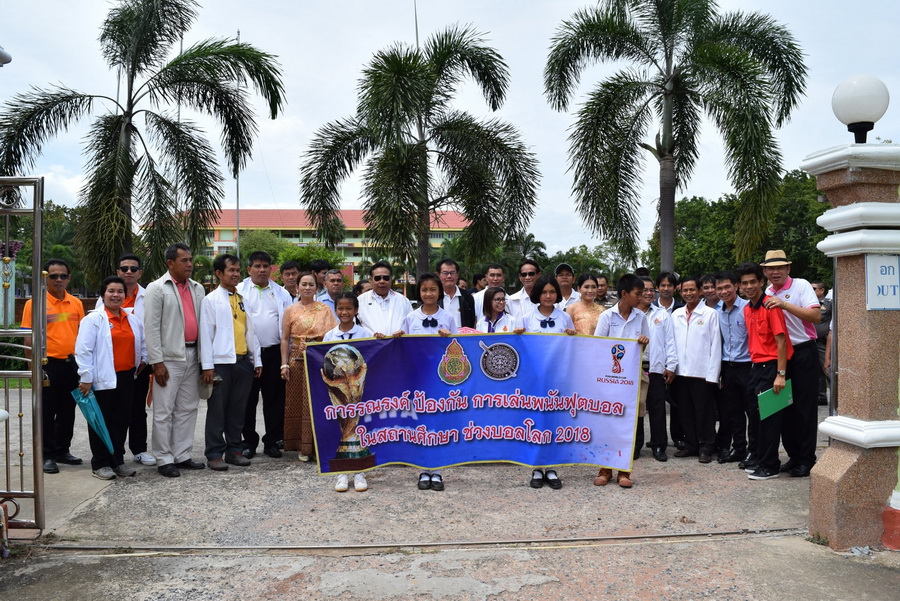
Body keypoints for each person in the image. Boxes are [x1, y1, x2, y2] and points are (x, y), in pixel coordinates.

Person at [144, 242, 207, 478]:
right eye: (184, 260)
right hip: (169, 359)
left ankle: (182, 454)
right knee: (163, 411)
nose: (190, 264)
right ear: (170, 263)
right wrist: (157, 362)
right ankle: (164, 458)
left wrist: (204, 361)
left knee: (188, 408)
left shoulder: (198, 288)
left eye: (190, 260)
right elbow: (151, 328)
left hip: (193, 354)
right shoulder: (156, 288)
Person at [75, 276, 147, 480]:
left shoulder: (132, 319)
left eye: (120, 291)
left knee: (122, 421)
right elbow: (83, 350)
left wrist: (143, 360)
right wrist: (86, 377)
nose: (116, 295)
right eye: (111, 291)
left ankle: (118, 460)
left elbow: (141, 343)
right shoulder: (93, 320)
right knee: (101, 421)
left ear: (125, 294)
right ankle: (100, 463)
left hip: (127, 377)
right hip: (102, 378)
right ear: (103, 294)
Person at [761, 250, 821, 477]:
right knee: (784, 408)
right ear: (765, 272)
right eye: (770, 268)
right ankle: (793, 456)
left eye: (779, 267)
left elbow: (815, 317)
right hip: (780, 355)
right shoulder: (767, 292)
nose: (775, 272)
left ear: (788, 269)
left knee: (804, 409)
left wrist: (784, 305)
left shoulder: (801, 286)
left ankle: (806, 459)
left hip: (803, 351)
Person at [22, 259, 86, 474]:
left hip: (72, 365)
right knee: (47, 412)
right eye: (54, 276)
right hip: (47, 364)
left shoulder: (76, 303)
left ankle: (62, 450)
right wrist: (32, 367)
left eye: (63, 276)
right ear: (45, 278)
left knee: (68, 411)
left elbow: (82, 334)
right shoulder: (35, 304)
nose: (59, 280)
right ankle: (47, 454)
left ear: (69, 278)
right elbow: (28, 338)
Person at [201, 255, 263, 472]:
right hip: (220, 363)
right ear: (219, 273)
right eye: (231, 270)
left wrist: (256, 360)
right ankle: (214, 453)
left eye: (238, 270)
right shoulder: (211, 300)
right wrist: (207, 366)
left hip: (243, 361)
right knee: (217, 410)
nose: (236, 274)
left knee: (238, 409)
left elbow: (250, 331)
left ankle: (235, 450)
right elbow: (206, 334)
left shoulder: (242, 298)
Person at [95, 254, 154, 466]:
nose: (129, 272)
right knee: (111, 413)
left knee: (137, 409)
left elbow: (152, 329)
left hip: (140, 364)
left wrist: (146, 359)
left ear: (140, 273)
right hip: (109, 367)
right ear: (118, 271)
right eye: (124, 268)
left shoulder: (149, 297)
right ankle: (108, 456)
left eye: (133, 269)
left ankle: (139, 449)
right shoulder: (103, 301)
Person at [737, 262, 793, 480]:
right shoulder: (747, 308)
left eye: (753, 282)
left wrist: (781, 374)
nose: (749, 286)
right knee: (755, 415)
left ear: (761, 282)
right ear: (740, 286)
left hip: (772, 367)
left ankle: (770, 466)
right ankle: (760, 458)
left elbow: (781, 342)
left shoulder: (771, 306)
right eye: (744, 283)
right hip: (756, 367)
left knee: (770, 418)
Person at [400, 274, 456, 491]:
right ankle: (423, 468)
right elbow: (402, 348)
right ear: (419, 292)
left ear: (439, 292)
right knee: (420, 422)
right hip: (418, 378)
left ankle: (438, 469)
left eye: (433, 289)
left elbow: (459, 346)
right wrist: (397, 338)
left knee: (439, 422)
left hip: (441, 378)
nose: (429, 293)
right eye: (424, 289)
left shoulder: (448, 317)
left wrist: (450, 337)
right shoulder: (410, 318)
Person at [593, 274, 650, 487]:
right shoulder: (607, 317)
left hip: (631, 379)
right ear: (624, 294)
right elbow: (598, 346)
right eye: (638, 294)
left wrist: (643, 342)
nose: (641, 298)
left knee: (628, 424)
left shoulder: (641, 317)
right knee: (607, 422)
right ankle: (605, 468)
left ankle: (624, 471)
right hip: (609, 380)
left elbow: (644, 348)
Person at [237, 252, 293, 459]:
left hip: (274, 353)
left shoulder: (281, 293)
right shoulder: (239, 290)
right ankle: (248, 442)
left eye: (265, 266)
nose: (261, 270)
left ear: (271, 269)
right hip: (247, 354)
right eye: (257, 266)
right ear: (249, 269)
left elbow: (288, 325)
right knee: (247, 400)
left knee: (274, 399)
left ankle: (272, 441)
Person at [524, 274, 575, 490]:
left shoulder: (564, 318)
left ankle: (552, 467)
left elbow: (572, 349)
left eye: (552, 292)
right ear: (537, 294)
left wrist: (573, 336)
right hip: (535, 379)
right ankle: (536, 467)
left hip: (557, 378)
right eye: (544, 292)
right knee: (536, 422)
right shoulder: (526, 318)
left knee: (555, 422)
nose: (548, 296)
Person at [280, 272, 337, 459]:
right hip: (296, 358)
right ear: (297, 287)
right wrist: (284, 364)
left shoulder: (324, 310)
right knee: (297, 402)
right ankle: (301, 446)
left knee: (319, 401)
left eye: (311, 284)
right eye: (303, 284)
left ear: (317, 288)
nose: (307, 287)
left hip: (318, 358)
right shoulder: (290, 310)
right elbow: (285, 339)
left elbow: (332, 336)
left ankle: (318, 446)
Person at [323, 292, 374, 493]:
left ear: (356, 310)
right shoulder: (330, 336)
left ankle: (360, 471)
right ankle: (342, 471)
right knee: (341, 425)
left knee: (358, 426)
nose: (344, 312)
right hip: (337, 390)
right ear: (336, 310)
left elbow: (371, 357)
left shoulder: (364, 334)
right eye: (341, 308)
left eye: (349, 308)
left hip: (358, 388)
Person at [671, 277, 721, 463]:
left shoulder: (710, 314)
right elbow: (671, 343)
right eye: (685, 290)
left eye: (692, 289)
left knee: (704, 412)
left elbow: (716, 345)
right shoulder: (676, 314)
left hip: (702, 372)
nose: (688, 293)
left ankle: (707, 446)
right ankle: (691, 444)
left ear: (700, 291)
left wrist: (713, 374)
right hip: (680, 372)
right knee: (685, 411)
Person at [714, 271, 754, 465]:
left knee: (752, 411)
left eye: (727, 287)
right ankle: (738, 448)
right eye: (719, 288)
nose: (724, 291)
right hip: (727, 367)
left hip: (747, 366)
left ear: (736, 286)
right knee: (734, 411)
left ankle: (754, 451)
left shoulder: (748, 308)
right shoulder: (717, 312)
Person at [637, 276, 676, 463]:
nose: (648, 293)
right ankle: (635, 445)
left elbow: (670, 342)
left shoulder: (662, 314)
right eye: (644, 290)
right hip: (634, 369)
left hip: (656, 368)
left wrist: (671, 366)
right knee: (636, 408)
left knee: (658, 408)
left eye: (651, 290)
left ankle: (659, 444)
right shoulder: (630, 314)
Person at [357, 262, 412, 337]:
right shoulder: (360, 301)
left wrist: (402, 333)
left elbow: (411, 324)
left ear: (391, 279)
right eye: (377, 278)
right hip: (370, 344)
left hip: (399, 343)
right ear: (370, 280)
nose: (382, 281)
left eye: (386, 278)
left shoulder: (403, 300)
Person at [436, 258, 476, 329]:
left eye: (452, 273)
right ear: (438, 275)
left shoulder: (467, 297)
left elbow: (472, 321)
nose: (449, 276)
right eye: (445, 273)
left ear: (457, 275)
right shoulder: (434, 297)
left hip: (463, 335)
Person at [811, 280, 832, 406]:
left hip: (823, 343)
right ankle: (821, 396)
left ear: (822, 290)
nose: (811, 290)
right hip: (811, 342)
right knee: (816, 371)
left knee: (827, 369)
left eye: (814, 288)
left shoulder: (828, 304)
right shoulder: (808, 303)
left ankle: (838, 396)